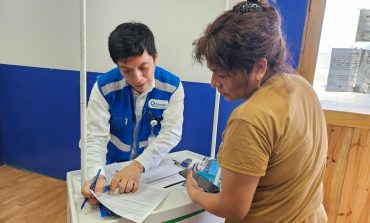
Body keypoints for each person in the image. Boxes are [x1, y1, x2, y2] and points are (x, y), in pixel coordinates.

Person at [185, 1, 328, 222]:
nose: (214, 83)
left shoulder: (249, 119)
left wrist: (194, 193)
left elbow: (233, 208)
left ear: (259, 67)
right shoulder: (302, 86)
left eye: (221, 75)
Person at [81, 22, 184, 205]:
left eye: (143, 67)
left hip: (150, 168)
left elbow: (171, 132)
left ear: (155, 57)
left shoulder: (172, 87)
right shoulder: (103, 87)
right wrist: (97, 174)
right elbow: (94, 137)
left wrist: (138, 165)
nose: (137, 78)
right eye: (126, 70)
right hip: (112, 167)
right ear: (117, 66)